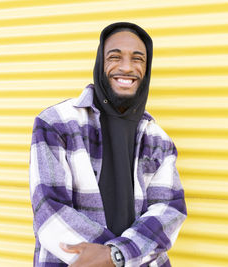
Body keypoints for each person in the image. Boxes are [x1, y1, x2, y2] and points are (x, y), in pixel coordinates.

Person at [29, 22, 187, 267]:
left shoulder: (158, 140)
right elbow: (49, 209)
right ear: (100, 64)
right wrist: (120, 255)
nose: (126, 67)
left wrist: (118, 254)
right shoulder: (57, 123)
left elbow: (169, 211)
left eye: (138, 59)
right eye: (115, 57)